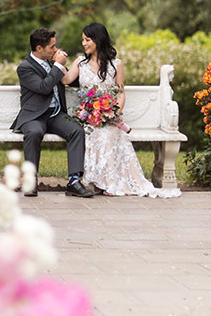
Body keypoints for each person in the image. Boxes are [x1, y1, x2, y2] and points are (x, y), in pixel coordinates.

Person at [61, 23, 181, 198]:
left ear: (98, 40)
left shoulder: (116, 64)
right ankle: (93, 181)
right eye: (82, 40)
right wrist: (57, 63)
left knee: (109, 133)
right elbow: (66, 80)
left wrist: (113, 112)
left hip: (108, 115)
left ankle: (110, 183)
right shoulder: (80, 62)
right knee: (91, 133)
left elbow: (120, 91)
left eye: (87, 40)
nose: (84, 44)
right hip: (88, 116)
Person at [10, 28, 94, 198]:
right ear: (39, 48)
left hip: (55, 115)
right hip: (34, 115)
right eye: (51, 47)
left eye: (55, 46)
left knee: (76, 130)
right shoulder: (25, 67)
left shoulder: (52, 61)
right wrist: (58, 65)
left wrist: (76, 66)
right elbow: (43, 87)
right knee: (34, 132)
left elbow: (73, 81)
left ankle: (74, 181)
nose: (55, 50)